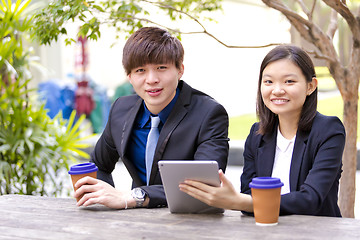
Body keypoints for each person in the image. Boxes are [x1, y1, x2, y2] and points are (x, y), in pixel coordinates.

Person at [180, 45, 345, 217]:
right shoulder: (257, 135)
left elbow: (311, 199)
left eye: (289, 81)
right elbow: (248, 194)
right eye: (268, 82)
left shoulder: (328, 131)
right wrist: (238, 200)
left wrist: (241, 201)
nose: (277, 90)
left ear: (311, 86)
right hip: (265, 230)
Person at [73, 27, 229, 209]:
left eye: (161, 68)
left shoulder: (209, 114)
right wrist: (105, 201)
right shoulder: (121, 109)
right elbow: (99, 166)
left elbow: (204, 185)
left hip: (191, 221)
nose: (152, 79)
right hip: (137, 222)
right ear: (130, 77)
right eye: (140, 70)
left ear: (180, 70)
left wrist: (132, 197)